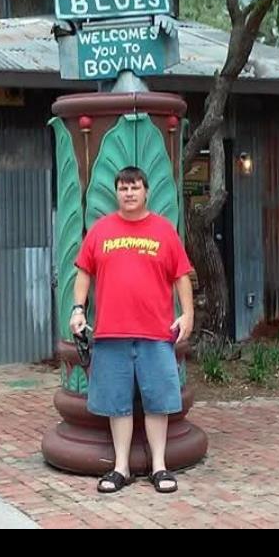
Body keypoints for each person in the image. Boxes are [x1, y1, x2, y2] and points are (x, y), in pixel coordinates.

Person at [72, 166, 195, 496]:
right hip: (111, 334)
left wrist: (188, 314)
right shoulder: (100, 231)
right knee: (117, 404)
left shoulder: (164, 231)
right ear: (117, 193)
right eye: (123, 188)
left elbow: (181, 276)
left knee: (158, 401)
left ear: (146, 191)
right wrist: (78, 310)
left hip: (156, 333)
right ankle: (120, 468)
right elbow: (83, 273)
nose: (129, 193)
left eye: (135, 187)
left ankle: (159, 466)